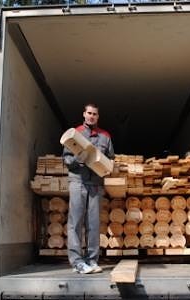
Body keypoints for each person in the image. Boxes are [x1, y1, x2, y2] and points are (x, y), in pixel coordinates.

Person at [62, 103, 114, 274]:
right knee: (75, 222)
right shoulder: (75, 134)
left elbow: (111, 159)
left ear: (98, 117)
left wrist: (107, 167)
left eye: (95, 114)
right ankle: (77, 262)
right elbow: (67, 161)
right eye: (89, 113)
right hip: (78, 181)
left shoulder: (105, 136)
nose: (91, 116)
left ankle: (92, 260)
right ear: (84, 114)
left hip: (96, 185)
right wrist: (79, 160)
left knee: (93, 224)